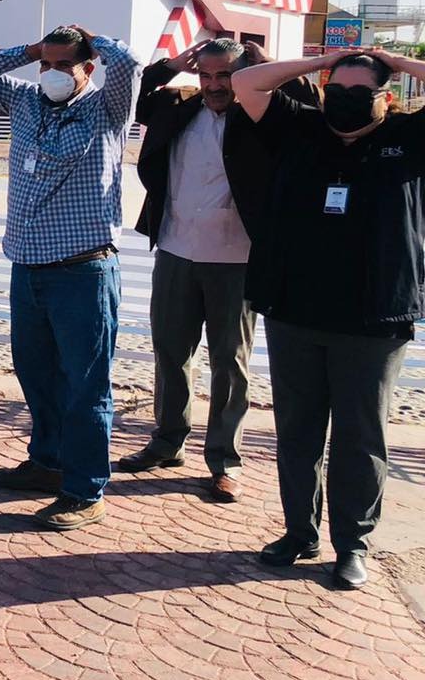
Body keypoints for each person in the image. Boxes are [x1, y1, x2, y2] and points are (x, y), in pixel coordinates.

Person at [233, 48, 425, 590]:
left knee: (361, 436)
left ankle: (352, 544)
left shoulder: (409, 139)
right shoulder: (302, 129)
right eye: (335, 92)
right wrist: (329, 59)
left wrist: (393, 59)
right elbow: (248, 82)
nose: (342, 103)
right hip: (295, 310)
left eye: (358, 95)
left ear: (385, 98)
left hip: (374, 318)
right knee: (297, 430)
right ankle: (299, 532)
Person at [118, 39, 317, 501]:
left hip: (238, 258)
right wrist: (170, 66)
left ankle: (225, 459)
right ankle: (167, 442)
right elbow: (130, 95)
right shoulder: (178, 107)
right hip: (175, 248)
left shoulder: (266, 116)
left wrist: (264, 67)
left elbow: (310, 102)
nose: (213, 86)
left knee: (230, 362)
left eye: (224, 76)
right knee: (170, 351)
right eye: (205, 76)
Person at [0, 25, 141, 532]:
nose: (54, 73)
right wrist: (31, 51)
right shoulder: (24, 99)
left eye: (67, 65)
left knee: (86, 386)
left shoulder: (107, 108)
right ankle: (46, 462)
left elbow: (130, 65)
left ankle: (85, 490)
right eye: (48, 65)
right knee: (36, 373)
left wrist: (93, 40)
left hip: (83, 269)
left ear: (87, 68)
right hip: (28, 266)